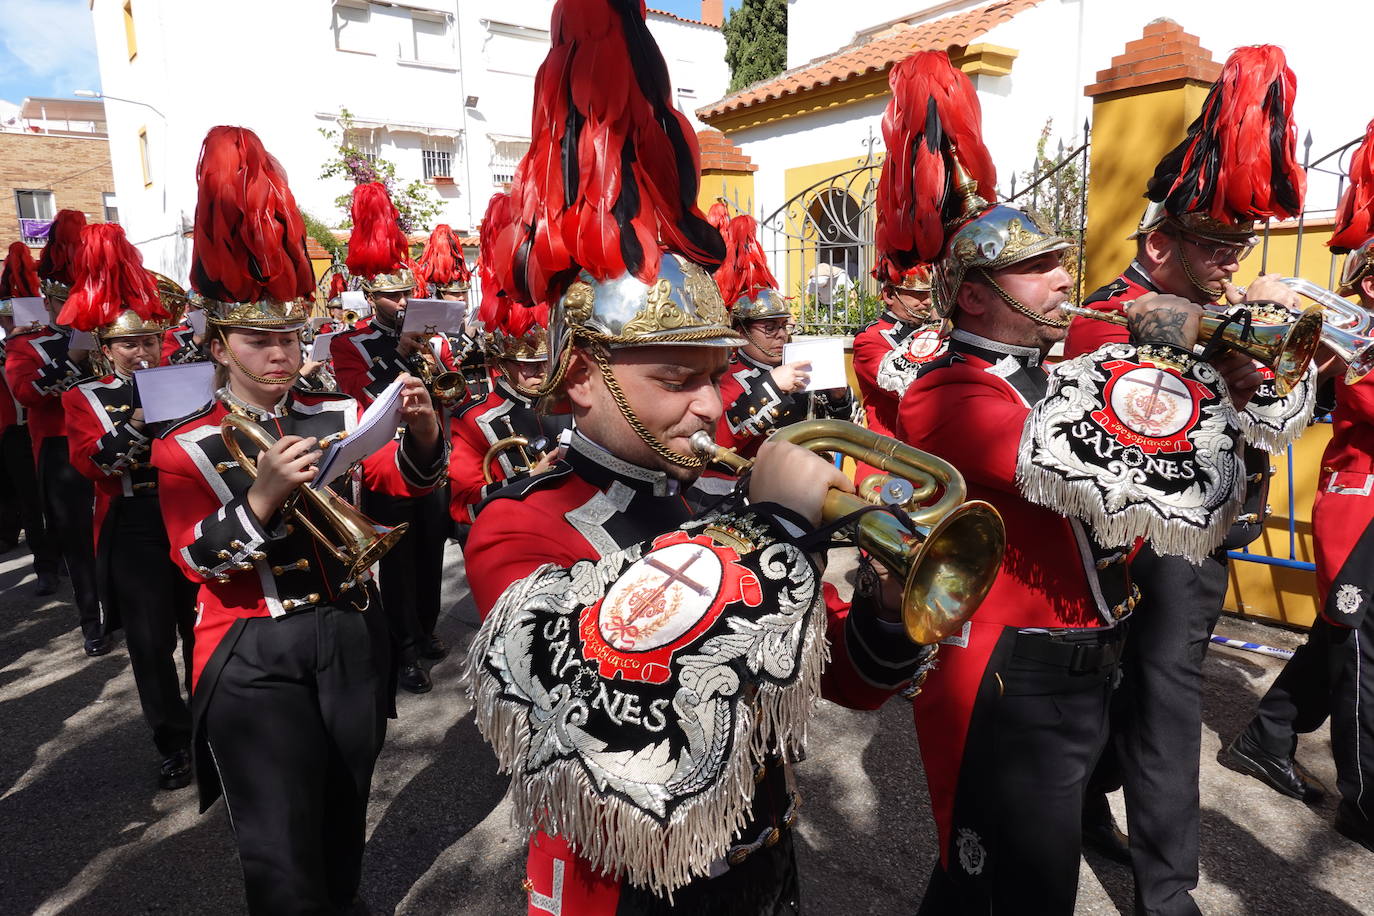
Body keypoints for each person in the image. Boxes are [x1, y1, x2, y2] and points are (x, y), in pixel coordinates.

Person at [462, 4, 932, 910]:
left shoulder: (720, 488)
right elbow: (618, 715)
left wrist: (882, 602)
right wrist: (781, 528)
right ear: (578, 376)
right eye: (680, 377)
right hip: (629, 887)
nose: (715, 403)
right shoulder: (521, 527)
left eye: (719, 375)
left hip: (764, 856)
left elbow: (835, 687)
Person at [878, 49, 1261, 913]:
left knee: (1007, 885)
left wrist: (1220, 388)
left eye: (1061, 262)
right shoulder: (947, 390)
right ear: (972, 298)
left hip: (1079, 661)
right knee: (1009, 885)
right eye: (1036, 268)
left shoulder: (1048, 371)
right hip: (1007, 673)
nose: (1063, 278)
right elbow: (1082, 464)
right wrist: (1185, 364)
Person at [151, 126, 447, 914]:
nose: (280, 355)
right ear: (218, 345)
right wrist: (260, 499)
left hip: (349, 631)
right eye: (259, 340)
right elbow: (194, 560)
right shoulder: (187, 445)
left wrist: (422, 435)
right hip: (255, 644)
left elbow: (398, 486)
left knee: (345, 811)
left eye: (289, 337)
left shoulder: (333, 412)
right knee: (280, 846)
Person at [1062, 46, 1312, 913]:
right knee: (1165, 704)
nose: (1234, 257)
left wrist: (1267, 367)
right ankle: (1167, 891)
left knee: (1135, 687)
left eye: (1240, 241)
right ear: (1160, 239)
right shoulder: (1108, 307)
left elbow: (1276, 422)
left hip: (1205, 531)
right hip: (1141, 541)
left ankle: (1093, 804)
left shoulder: (1231, 313)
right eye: (1216, 243)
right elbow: (1105, 353)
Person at [1228, 117, 1374, 853]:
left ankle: (1268, 731)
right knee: (1362, 654)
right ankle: (1366, 798)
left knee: (1340, 640)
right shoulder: (1356, 337)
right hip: (1360, 510)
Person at [59, 225, 197, 790]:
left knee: (202, 626)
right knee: (149, 641)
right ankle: (173, 740)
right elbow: (94, 463)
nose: (142, 353)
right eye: (129, 345)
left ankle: (216, 725)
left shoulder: (188, 380)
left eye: (150, 342)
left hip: (187, 510)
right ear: (106, 349)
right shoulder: (84, 397)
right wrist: (140, 419)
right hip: (135, 521)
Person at [331, 182, 456, 694]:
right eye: (391, 294)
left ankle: (424, 630)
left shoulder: (433, 337)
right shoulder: (349, 343)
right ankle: (403, 648)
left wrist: (439, 360)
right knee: (399, 564)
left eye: (407, 292)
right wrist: (404, 355)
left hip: (429, 457)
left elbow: (451, 389)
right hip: (385, 463)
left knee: (431, 552)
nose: (402, 301)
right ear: (369, 295)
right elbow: (366, 399)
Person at [695, 211, 855, 502]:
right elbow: (717, 440)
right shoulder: (725, 374)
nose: (781, 335)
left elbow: (841, 431)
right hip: (741, 493)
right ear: (740, 331)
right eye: (769, 328)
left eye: (784, 326)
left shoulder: (800, 362)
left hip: (809, 488)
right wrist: (770, 386)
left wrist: (838, 396)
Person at [5, 210, 105, 653]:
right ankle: (93, 620)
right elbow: (27, 394)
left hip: (116, 435)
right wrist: (74, 360)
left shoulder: (110, 330)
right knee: (78, 541)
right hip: (62, 447)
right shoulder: (26, 344)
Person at [446, 193, 570, 534]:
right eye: (525, 363)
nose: (538, 371)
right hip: (515, 533)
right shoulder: (473, 419)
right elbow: (463, 506)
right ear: (501, 361)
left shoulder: (573, 401)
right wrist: (526, 479)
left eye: (545, 361)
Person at [0, 243, 59, 587]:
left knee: (56, 501)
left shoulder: (43, 343)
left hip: (44, 429)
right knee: (31, 502)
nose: (11, 322)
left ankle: (64, 556)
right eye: (7, 318)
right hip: (15, 433)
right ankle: (45, 566)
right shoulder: (11, 347)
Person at [851, 264, 945, 441]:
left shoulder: (936, 331)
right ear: (889, 295)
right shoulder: (870, 338)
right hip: (888, 452)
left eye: (928, 294)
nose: (926, 302)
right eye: (918, 295)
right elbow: (905, 385)